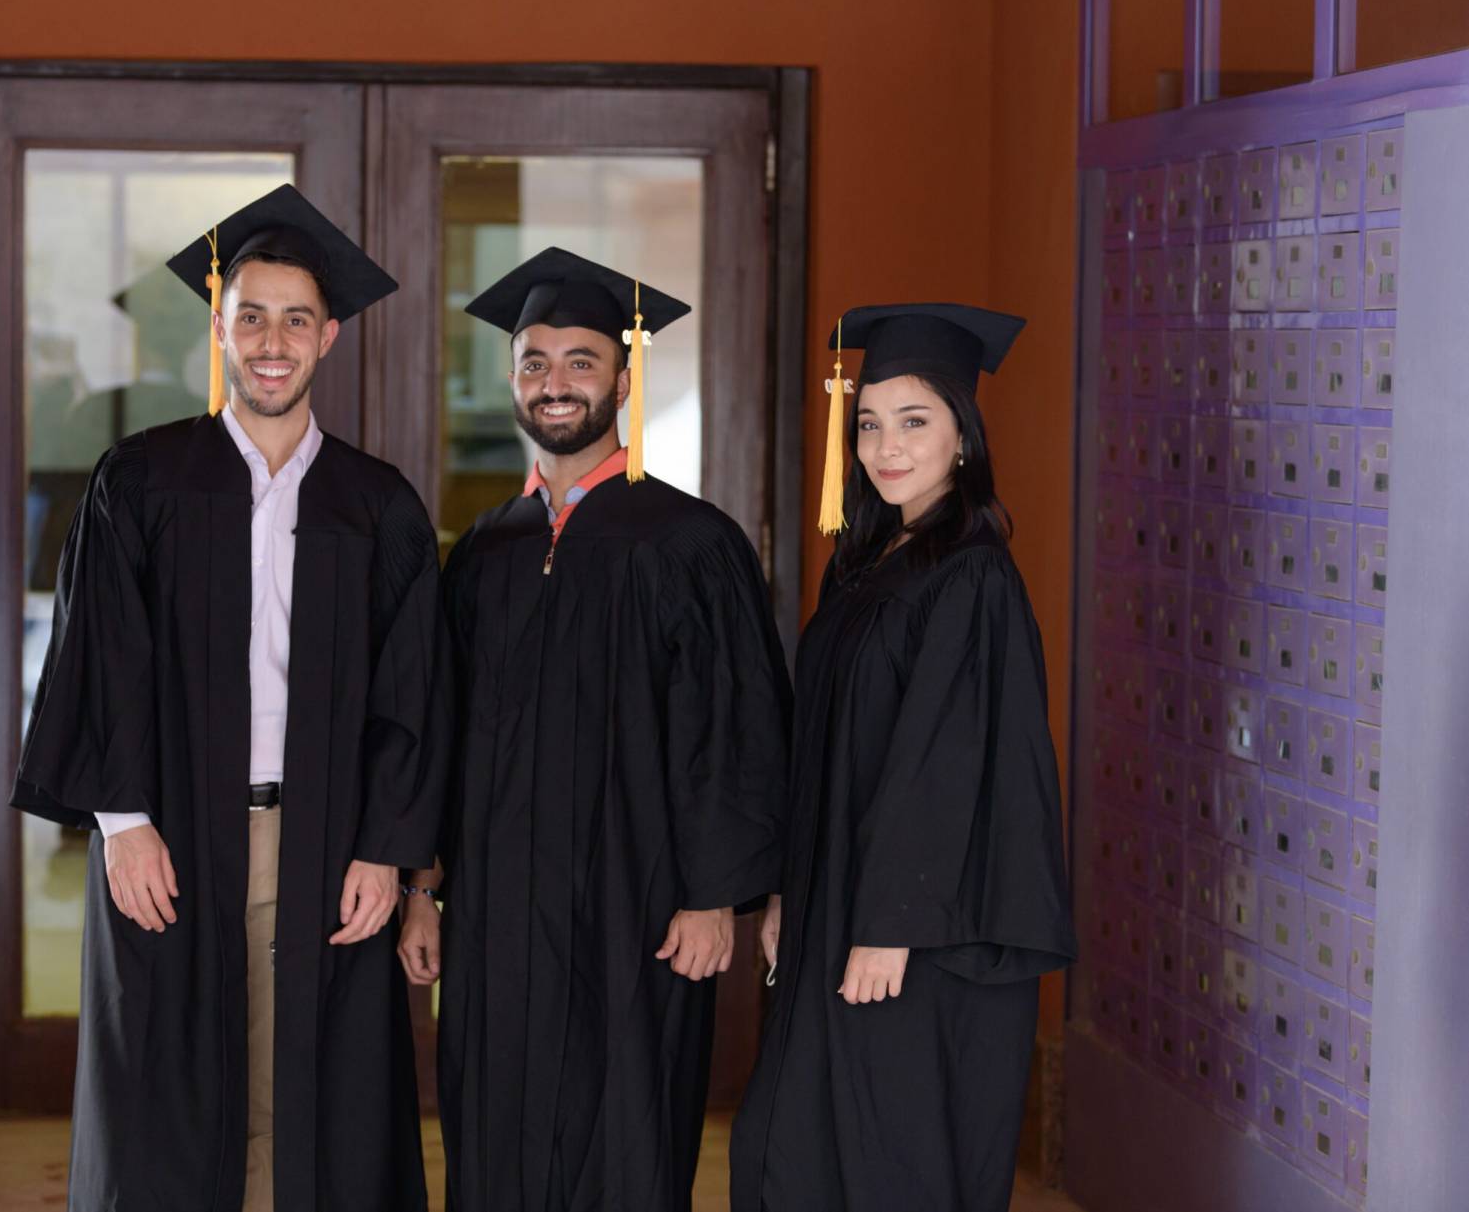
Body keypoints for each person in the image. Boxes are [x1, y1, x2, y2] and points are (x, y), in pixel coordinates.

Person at [12, 184, 447, 1212]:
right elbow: (100, 657)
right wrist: (122, 825)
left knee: (312, 1099)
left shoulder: (375, 505)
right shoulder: (142, 482)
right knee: (164, 1099)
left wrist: (387, 850)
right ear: (219, 327)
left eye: (296, 319)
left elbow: (412, 691)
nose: (271, 340)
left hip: (328, 839)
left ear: (328, 336)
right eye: (250, 315)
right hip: (172, 838)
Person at [397, 247, 792, 1211]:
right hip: (495, 913)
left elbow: (734, 730)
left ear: (623, 374)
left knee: (625, 1129)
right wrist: (421, 883)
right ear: (512, 379)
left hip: (639, 907)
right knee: (491, 1127)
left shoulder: (690, 543)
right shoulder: (484, 551)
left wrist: (712, 896)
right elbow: (439, 728)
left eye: (580, 360)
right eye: (535, 361)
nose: (556, 382)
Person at [729, 304, 1077, 1212]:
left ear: (963, 432)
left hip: (913, 931)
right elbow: (827, 750)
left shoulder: (970, 575)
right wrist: (785, 893)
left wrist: (891, 921)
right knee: (801, 1137)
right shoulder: (870, 559)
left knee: (888, 1151)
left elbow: (948, 761)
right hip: (841, 902)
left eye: (913, 421)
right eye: (870, 422)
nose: (886, 445)